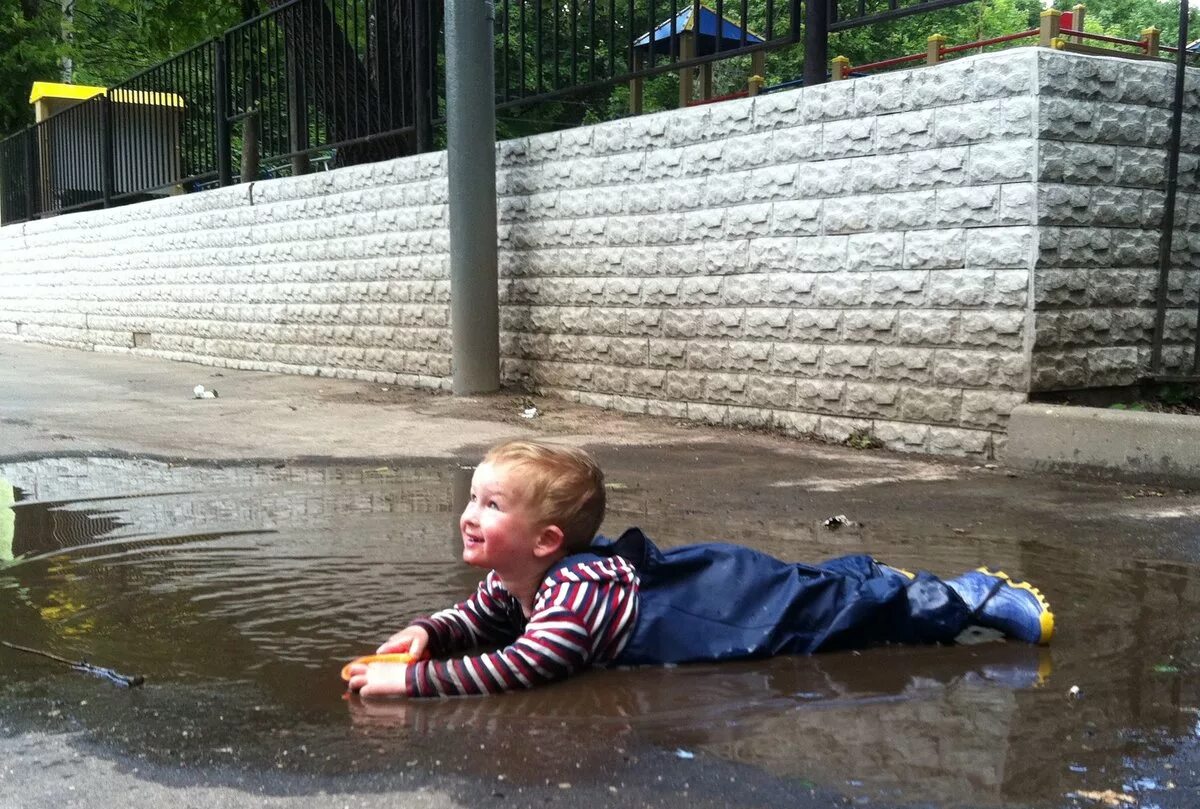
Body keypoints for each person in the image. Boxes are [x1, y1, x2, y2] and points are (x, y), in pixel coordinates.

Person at [345, 441, 1054, 699]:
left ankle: (967, 595)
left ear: (545, 540)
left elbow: (527, 664)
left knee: (830, 619)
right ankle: (875, 579)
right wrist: (426, 632)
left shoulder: (571, 597)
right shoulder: (517, 580)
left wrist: (415, 681)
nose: (469, 513)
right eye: (474, 498)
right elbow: (483, 617)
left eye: (491, 504)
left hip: (727, 603)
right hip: (699, 588)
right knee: (824, 596)